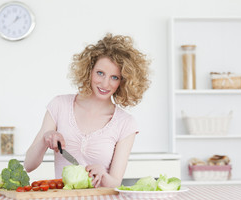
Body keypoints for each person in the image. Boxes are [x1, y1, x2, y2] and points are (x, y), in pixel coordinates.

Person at [24, 33, 151, 188]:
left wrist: (103, 174)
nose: (105, 84)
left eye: (114, 77)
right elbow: (29, 165)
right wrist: (46, 138)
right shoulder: (59, 105)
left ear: (124, 81)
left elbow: (115, 183)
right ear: (89, 70)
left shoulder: (125, 123)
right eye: (100, 73)